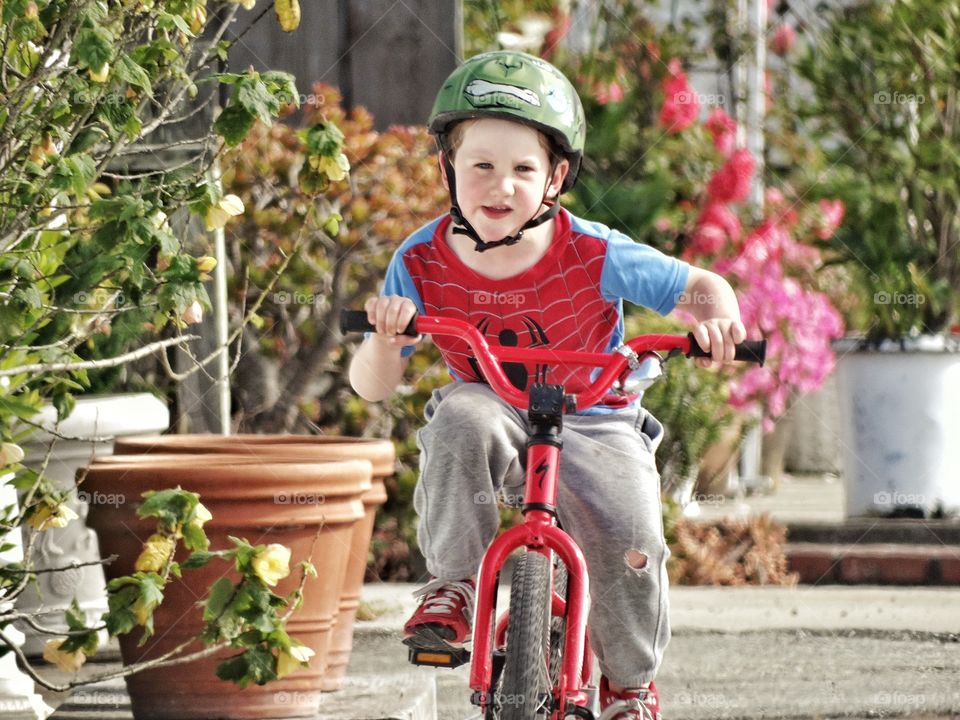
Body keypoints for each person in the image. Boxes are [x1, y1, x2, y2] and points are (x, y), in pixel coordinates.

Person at [348, 50, 746, 720]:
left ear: (556, 177)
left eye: (522, 170)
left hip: (597, 416)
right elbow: (371, 387)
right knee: (459, 421)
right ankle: (454, 587)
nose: (499, 187)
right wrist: (386, 339)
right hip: (496, 407)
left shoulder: (592, 251)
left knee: (632, 533)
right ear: (448, 169)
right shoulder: (418, 261)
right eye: (480, 166)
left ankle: (629, 682)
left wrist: (718, 326)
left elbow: (701, 289)